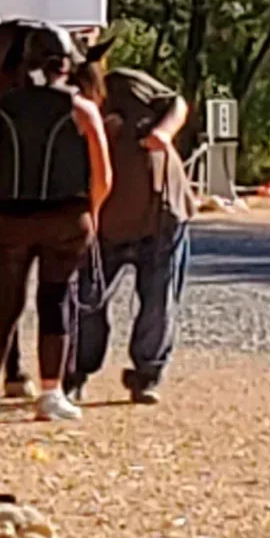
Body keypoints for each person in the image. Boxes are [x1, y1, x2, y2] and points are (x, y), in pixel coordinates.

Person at [0, 29, 112, 423]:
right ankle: (50, 394)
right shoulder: (83, 110)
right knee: (55, 300)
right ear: (67, 65)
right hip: (66, 219)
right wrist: (92, 213)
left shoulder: (5, 108)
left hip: (11, 218)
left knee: (6, 303)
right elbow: (103, 175)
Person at [67, 58, 194, 404]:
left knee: (158, 300)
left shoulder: (127, 82)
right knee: (85, 300)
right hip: (102, 224)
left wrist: (164, 133)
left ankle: (146, 375)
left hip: (161, 214)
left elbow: (176, 102)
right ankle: (76, 372)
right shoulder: (64, 110)